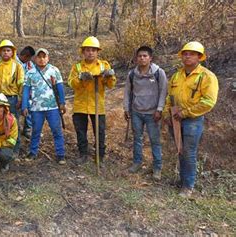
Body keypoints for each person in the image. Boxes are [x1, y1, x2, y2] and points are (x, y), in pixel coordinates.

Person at [162, 41, 218, 198]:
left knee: (189, 152)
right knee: (180, 150)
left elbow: (208, 102)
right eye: (185, 53)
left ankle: (188, 186)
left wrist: (186, 113)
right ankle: (182, 181)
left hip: (192, 120)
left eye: (191, 54)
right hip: (175, 118)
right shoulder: (177, 75)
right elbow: (169, 97)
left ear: (199, 57)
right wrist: (167, 114)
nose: (187, 56)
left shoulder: (207, 76)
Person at [68, 36, 116, 167]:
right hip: (80, 105)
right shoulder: (77, 67)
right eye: (87, 50)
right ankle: (83, 154)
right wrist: (80, 78)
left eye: (93, 50)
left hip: (97, 106)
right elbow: (71, 83)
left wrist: (109, 76)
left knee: (99, 132)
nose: (90, 52)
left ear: (97, 52)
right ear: (83, 52)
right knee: (81, 131)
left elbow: (111, 85)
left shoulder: (103, 65)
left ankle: (100, 157)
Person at [123, 46, 168, 180]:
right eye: (140, 56)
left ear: (150, 58)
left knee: (155, 141)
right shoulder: (132, 74)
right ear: (136, 58)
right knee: (137, 139)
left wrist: (159, 109)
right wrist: (126, 108)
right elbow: (127, 92)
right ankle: (137, 163)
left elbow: (163, 92)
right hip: (136, 111)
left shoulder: (159, 73)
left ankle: (157, 168)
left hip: (153, 113)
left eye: (145, 56)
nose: (142, 58)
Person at [22, 48, 66, 164]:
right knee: (36, 130)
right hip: (36, 108)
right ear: (35, 58)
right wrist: (24, 105)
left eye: (44, 57)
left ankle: (60, 154)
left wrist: (62, 103)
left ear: (48, 58)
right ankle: (33, 152)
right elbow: (26, 90)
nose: (41, 59)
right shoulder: (30, 72)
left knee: (56, 130)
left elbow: (60, 88)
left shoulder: (54, 70)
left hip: (53, 107)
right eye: (39, 57)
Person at [0, 39, 25, 157]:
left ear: (12, 52)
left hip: (11, 99)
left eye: (8, 50)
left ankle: (15, 150)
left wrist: (20, 98)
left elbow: (21, 83)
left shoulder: (17, 66)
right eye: (3, 51)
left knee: (13, 123)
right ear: (0, 52)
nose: (6, 53)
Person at [17, 46, 36, 138]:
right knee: (14, 111)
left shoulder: (30, 64)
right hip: (15, 91)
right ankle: (15, 129)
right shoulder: (14, 62)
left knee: (29, 109)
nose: (30, 59)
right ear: (25, 56)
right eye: (29, 57)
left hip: (27, 91)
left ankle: (27, 129)